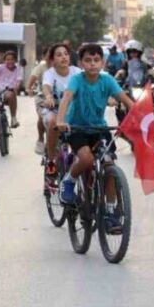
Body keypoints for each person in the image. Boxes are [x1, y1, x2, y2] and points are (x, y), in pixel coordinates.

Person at [55, 44, 136, 223]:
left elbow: (126, 100)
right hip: (77, 128)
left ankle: (110, 210)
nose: (92, 64)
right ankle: (69, 180)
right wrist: (60, 121)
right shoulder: (77, 80)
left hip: (99, 129)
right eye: (88, 60)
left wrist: (138, 116)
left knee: (109, 164)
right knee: (86, 159)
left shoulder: (107, 81)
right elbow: (67, 98)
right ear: (81, 63)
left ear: (103, 63)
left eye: (96, 60)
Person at [41, 44, 81, 174]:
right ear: (53, 60)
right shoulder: (49, 73)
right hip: (54, 111)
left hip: (72, 112)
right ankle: (51, 161)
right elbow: (46, 86)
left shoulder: (77, 72)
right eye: (59, 55)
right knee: (53, 123)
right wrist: (48, 97)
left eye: (66, 54)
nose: (63, 57)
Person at [0, 50, 23, 146]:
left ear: (15, 60)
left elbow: (19, 81)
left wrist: (17, 86)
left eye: (12, 59)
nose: (10, 61)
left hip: (8, 93)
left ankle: (13, 118)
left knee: (11, 95)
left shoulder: (18, 69)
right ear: (4, 61)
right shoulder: (0, 67)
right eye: (7, 59)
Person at [27, 46, 51, 154]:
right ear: (44, 56)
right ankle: (41, 139)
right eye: (48, 55)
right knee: (43, 116)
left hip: (60, 99)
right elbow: (31, 81)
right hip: (42, 98)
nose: (51, 58)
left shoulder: (63, 68)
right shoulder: (41, 68)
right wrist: (29, 89)